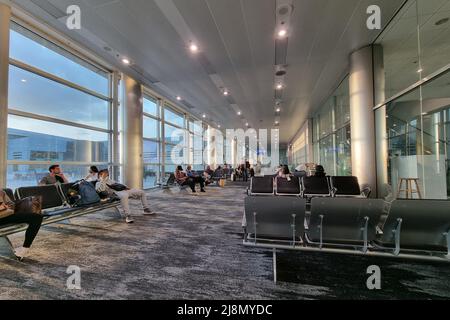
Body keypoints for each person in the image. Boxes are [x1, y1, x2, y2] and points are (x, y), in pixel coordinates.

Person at [0, 190, 43, 260]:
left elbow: (11, 204)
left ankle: (25, 249)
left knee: (37, 217)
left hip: (5, 215)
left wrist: (8, 205)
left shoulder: (1, 192)